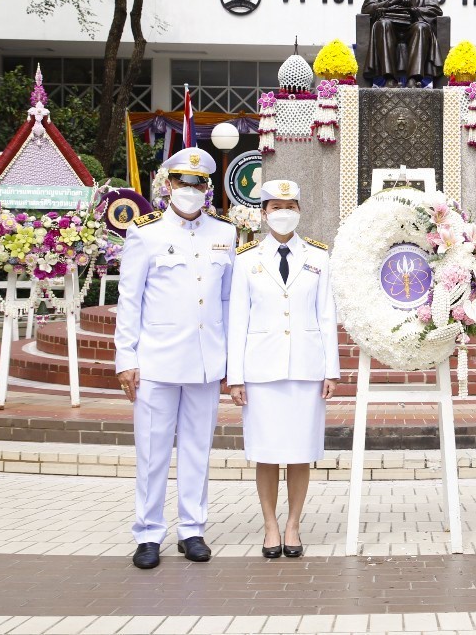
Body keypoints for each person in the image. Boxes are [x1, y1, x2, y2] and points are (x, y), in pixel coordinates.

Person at [114, 147, 238, 570]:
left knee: (197, 449)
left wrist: (230, 362)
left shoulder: (225, 233)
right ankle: (148, 533)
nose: (190, 190)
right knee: (152, 451)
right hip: (157, 362)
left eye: (198, 183)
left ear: (207, 188)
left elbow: (226, 301)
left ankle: (192, 529)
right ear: (168, 186)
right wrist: (125, 358)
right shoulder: (145, 233)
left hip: (205, 361)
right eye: (183, 182)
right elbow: (129, 300)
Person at [227, 179, 339, 559]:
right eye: (276, 206)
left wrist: (332, 370)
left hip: (307, 368)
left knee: (300, 451)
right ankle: (270, 525)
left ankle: (293, 525)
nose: (283, 211)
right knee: (267, 452)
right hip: (261, 371)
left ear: (300, 210)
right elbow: (237, 319)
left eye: (290, 205)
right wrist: (236, 376)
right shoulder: (246, 259)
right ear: (263, 213)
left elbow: (326, 315)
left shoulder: (319, 257)